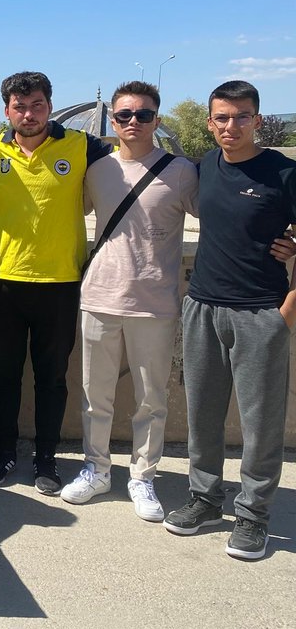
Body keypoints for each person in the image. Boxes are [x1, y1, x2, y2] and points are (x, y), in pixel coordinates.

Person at [163, 80, 296, 561]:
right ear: (209, 122)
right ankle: (204, 498)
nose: (231, 126)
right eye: (222, 117)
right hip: (202, 305)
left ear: (257, 120)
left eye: (241, 117)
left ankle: (254, 515)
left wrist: (285, 313)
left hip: (261, 312)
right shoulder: (204, 167)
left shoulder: (283, 172)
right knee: (202, 413)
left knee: (260, 424)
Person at [59, 81, 198, 519]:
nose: (133, 121)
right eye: (124, 115)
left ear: (157, 119)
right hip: (100, 295)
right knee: (94, 394)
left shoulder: (181, 171)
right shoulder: (97, 169)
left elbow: (221, 217)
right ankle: (97, 469)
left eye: (143, 114)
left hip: (154, 302)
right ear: (112, 121)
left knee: (151, 400)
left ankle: (143, 477)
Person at [0, 71, 111, 494]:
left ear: (50, 106)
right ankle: (3, 451)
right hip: (1, 281)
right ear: (6, 111)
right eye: (19, 107)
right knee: (4, 375)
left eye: (37, 106)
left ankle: (46, 458)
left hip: (60, 282)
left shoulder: (83, 146)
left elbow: (133, 166)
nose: (28, 115)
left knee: (52, 378)